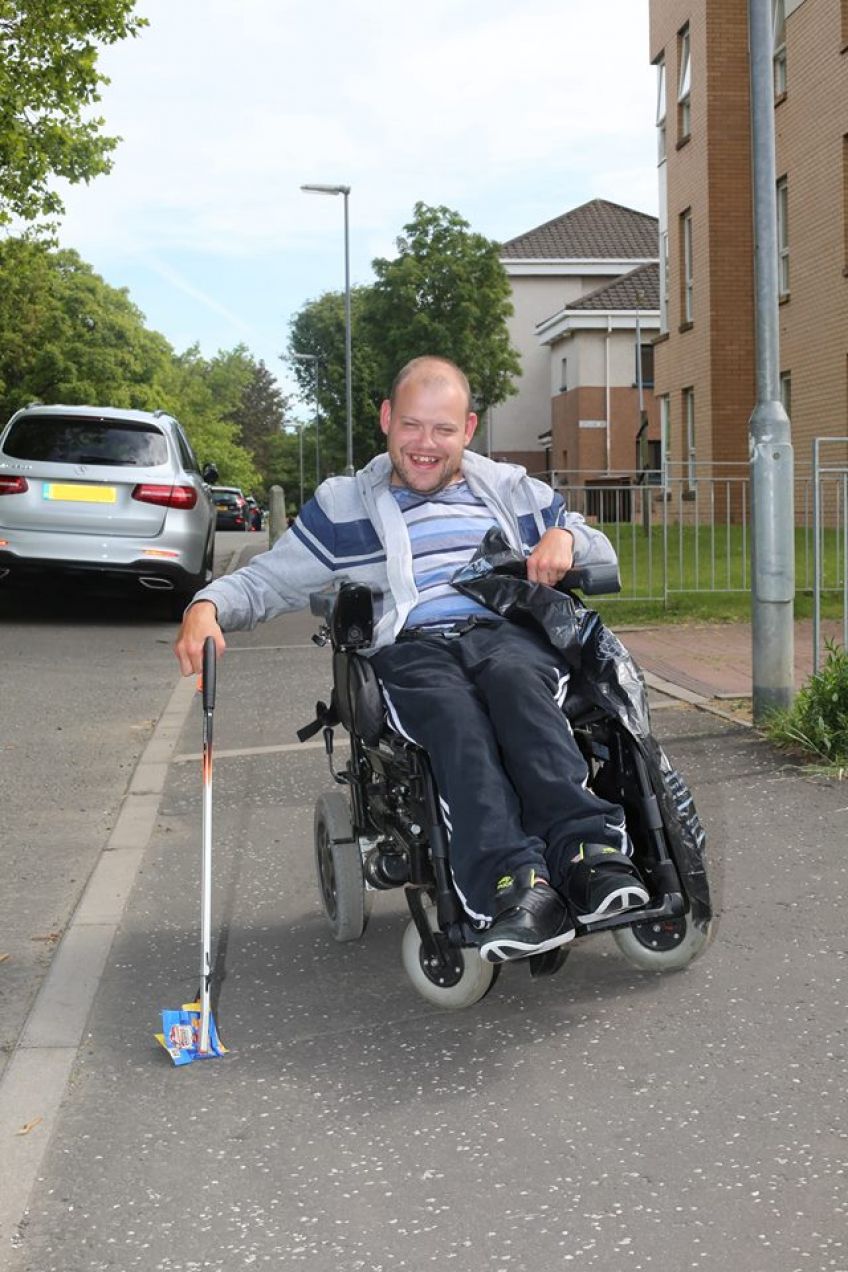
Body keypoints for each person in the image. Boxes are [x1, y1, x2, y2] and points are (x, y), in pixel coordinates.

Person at [174, 356, 648, 964]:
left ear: (468, 429)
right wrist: (207, 605)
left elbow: (592, 540)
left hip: (502, 631)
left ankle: (590, 856)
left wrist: (564, 537)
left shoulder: (508, 489)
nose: (426, 444)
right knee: (454, 716)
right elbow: (269, 579)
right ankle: (513, 886)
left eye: (443, 429)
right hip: (413, 645)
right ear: (386, 419)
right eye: (412, 426)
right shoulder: (345, 505)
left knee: (516, 684)